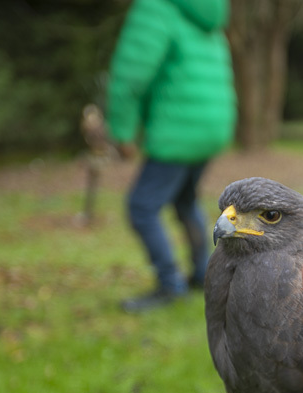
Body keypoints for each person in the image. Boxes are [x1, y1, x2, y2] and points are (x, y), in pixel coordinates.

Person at [106, 0, 237, 312]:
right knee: (184, 200)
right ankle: (204, 273)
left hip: (179, 128)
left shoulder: (156, 8)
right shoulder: (207, 11)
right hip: (211, 124)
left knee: (141, 207)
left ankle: (170, 285)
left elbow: (131, 75)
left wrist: (122, 131)